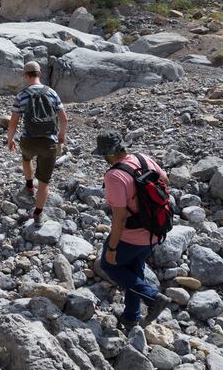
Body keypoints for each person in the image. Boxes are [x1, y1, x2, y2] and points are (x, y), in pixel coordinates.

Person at [94, 130, 171, 329]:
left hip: (131, 236)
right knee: (134, 270)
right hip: (155, 230)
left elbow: (119, 219)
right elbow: (166, 182)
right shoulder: (142, 158)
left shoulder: (114, 175)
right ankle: (130, 317)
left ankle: (153, 298)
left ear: (108, 153)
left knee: (110, 265)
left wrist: (111, 249)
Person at [6, 61, 68, 226]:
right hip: (49, 143)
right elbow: (64, 118)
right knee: (44, 182)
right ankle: (38, 213)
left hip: (28, 141)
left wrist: (10, 139)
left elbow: (13, 123)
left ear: (25, 76)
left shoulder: (21, 95)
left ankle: (28, 186)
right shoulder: (52, 93)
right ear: (40, 74)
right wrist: (61, 136)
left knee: (26, 159)